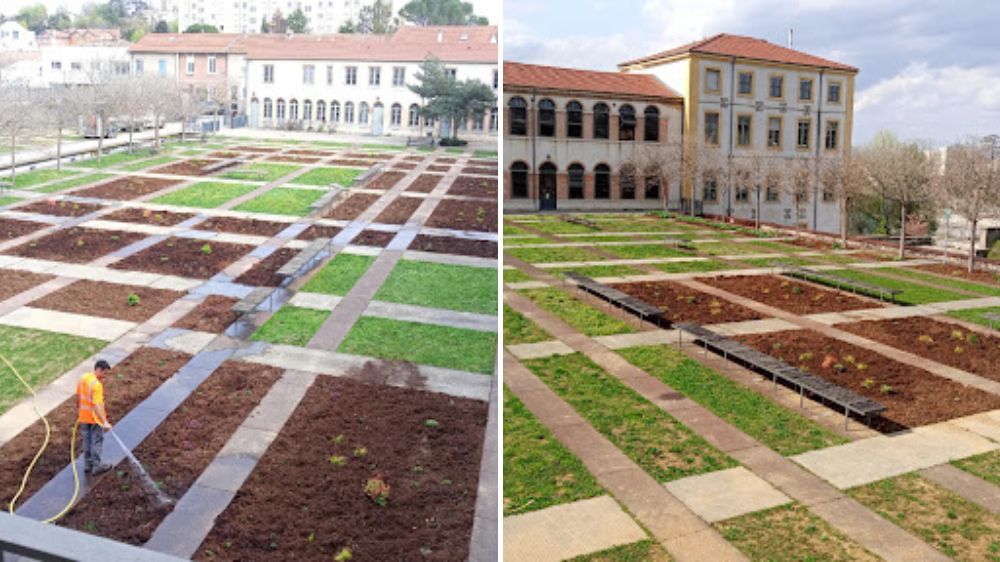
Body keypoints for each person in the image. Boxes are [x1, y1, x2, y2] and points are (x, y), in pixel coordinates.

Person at [77, 360, 113, 475]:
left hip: (83, 416)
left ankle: (88, 464)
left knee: (86, 441)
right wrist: (105, 422)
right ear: (99, 370)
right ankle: (97, 465)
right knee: (96, 441)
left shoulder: (84, 378)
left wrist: (80, 411)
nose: (105, 377)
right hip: (94, 419)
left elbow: (78, 395)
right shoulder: (97, 385)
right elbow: (97, 404)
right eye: (105, 373)